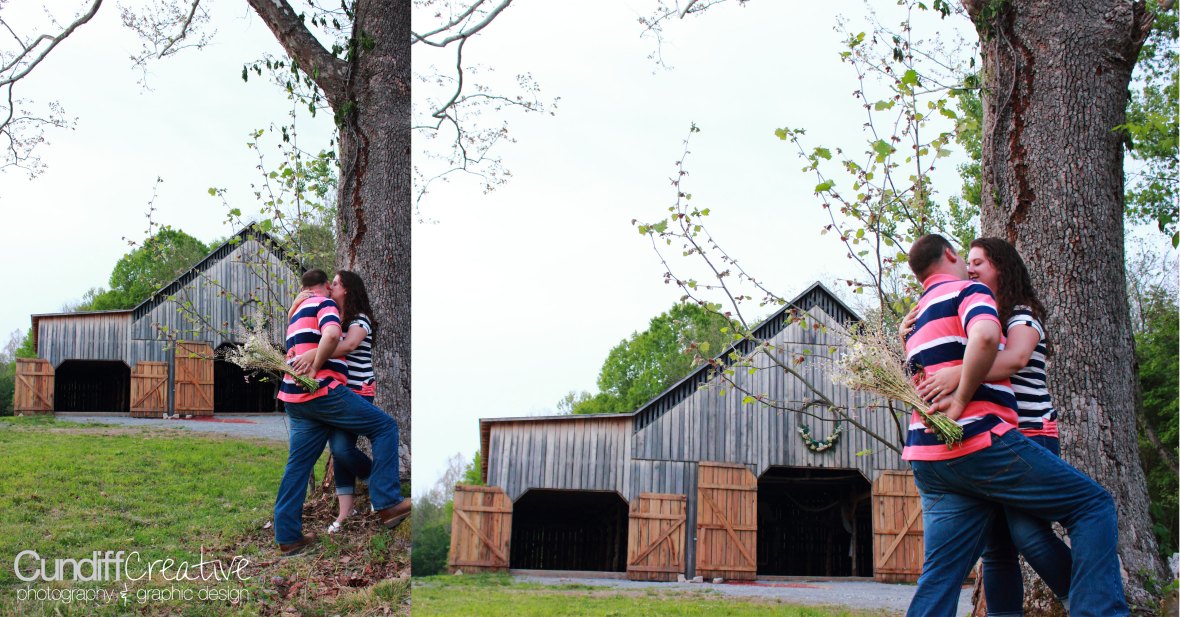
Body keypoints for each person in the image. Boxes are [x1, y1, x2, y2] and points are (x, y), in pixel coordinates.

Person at [900, 234, 1126, 617]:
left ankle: (1081, 601)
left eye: (979, 263)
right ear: (950, 257)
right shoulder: (959, 304)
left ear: (1002, 268)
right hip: (982, 441)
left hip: (1016, 435)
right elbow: (978, 340)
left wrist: (958, 375)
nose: (970, 269)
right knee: (1003, 547)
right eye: (967, 261)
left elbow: (1015, 357)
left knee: (1021, 538)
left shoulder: (1015, 313)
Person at [274, 269, 410, 557]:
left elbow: (342, 342)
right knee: (385, 427)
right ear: (324, 287)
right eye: (331, 283)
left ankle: (287, 536)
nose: (333, 287)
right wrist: (315, 361)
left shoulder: (298, 312)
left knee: (298, 465)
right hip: (321, 391)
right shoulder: (325, 305)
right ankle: (387, 502)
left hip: (294, 397)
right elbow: (334, 335)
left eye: (337, 284)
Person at [290, 270, 378, 534]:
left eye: (336, 284)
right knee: (339, 453)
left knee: (341, 449)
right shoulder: (333, 316)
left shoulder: (359, 320)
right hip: (336, 392)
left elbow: (349, 346)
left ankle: (377, 480)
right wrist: (296, 304)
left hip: (357, 391)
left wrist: (315, 352)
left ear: (347, 289)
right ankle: (344, 512)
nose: (331, 287)